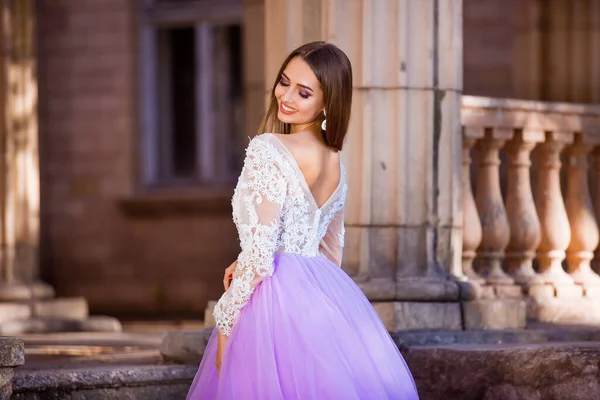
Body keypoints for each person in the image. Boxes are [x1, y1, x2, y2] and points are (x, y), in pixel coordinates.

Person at [186, 41, 419, 400]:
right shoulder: (335, 161)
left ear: (327, 102)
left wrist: (226, 325)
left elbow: (260, 256)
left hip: (269, 303)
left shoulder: (268, 148)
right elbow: (331, 253)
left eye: (304, 91)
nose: (286, 96)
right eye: (284, 81)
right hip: (321, 298)